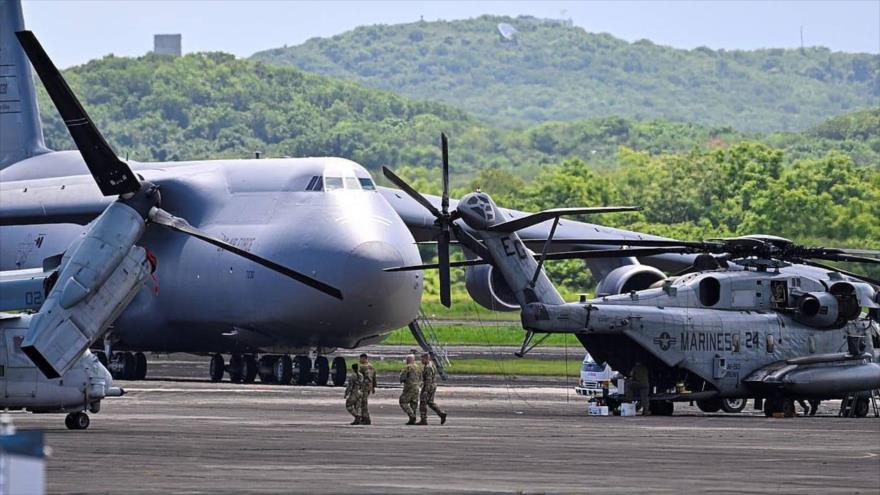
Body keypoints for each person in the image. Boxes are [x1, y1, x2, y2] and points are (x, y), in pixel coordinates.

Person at [418, 353, 447, 425]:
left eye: (422, 359)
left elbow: (428, 380)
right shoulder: (431, 365)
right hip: (432, 385)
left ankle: (423, 419)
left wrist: (425, 391)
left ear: (426, 358)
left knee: (423, 402)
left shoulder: (428, 367)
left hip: (429, 386)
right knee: (430, 402)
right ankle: (441, 414)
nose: (421, 360)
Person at [399, 354, 421, 425]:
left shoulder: (407, 367)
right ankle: (412, 420)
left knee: (402, 401)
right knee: (413, 403)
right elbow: (421, 377)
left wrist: (402, 380)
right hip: (417, 387)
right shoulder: (418, 367)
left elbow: (402, 377)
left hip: (409, 387)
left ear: (407, 360)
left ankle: (412, 416)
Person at [358, 353, 377, 425]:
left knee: (363, 403)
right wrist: (373, 387)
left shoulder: (363, 367)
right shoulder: (371, 366)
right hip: (369, 387)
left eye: (360, 358)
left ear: (364, 358)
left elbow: (362, 377)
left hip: (364, 386)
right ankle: (364, 418)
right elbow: (374, 377)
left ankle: (366, 419)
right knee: (364, 402)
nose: (359, 360)